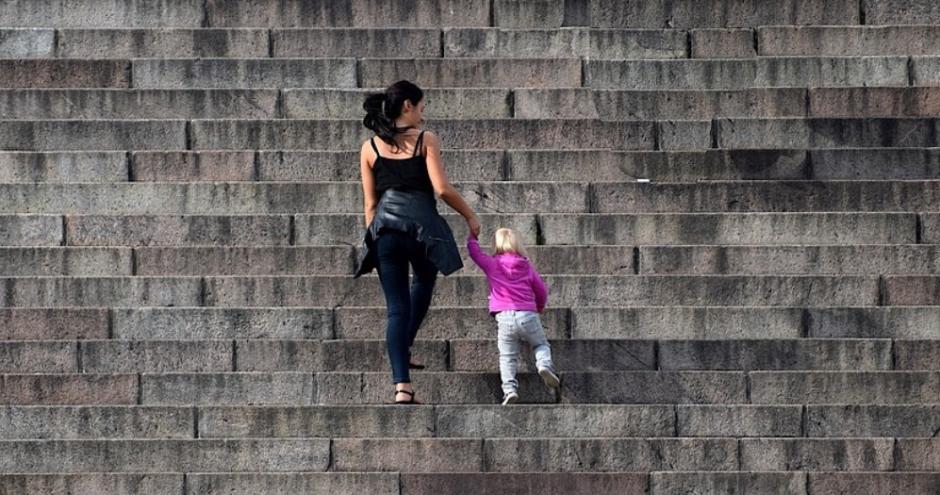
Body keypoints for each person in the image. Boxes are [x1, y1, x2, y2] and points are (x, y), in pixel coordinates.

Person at [355, 80, 481, 404]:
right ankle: (405, 345)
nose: (423, 117)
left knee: (396, 309)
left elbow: (370, 204)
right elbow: (441, 189)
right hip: (421, 230)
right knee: (424, 282)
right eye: (422, 108)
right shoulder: (426, 140)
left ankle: (402, 387)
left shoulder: (369, 148)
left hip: (385, 232)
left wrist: (374, 239)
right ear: (408, 106)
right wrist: (470, 216)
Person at [467, 228, 560, 405]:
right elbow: (541, 290)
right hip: (528, 314)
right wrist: (539, 306)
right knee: (540, 344)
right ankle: (543, 365)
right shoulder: (526, 265)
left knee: (507, 356)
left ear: (496, 244)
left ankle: (509, 390)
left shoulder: (492, 263)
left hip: (504, 317)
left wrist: (473, 235)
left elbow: (474, 253)